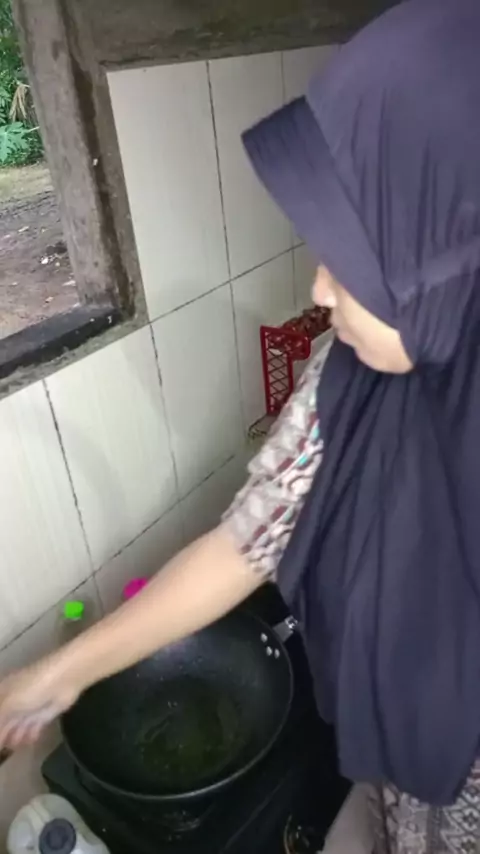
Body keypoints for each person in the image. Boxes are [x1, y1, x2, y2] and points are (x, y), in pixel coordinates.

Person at [2, 0, 480, 850]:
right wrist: (56, 676)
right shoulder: (346, 374)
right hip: (394, 742)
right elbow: (246, 542)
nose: (320, 290)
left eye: (358, 260)